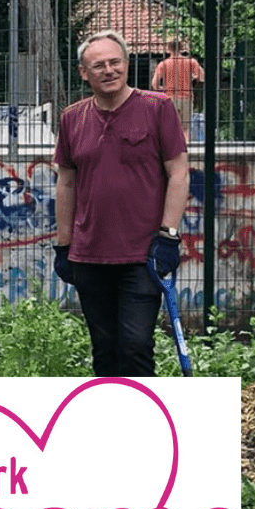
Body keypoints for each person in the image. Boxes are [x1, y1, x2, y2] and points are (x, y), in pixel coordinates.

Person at [54, 30, 189, 377]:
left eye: (115, 62)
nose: (109, 70)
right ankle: (110, 425)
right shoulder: (72, 118)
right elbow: (66, 182)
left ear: (127, 65)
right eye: (98, 65)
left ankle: (148, 426)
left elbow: (178, 172)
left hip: (143, 255)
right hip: (89, 255)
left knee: (135, 347)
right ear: (84, 72)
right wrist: (63, 245)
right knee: (105, 351)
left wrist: (169, 235)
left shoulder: (157, 108)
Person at [151, 38, 206, 143]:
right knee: (185, 128)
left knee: (171, 128)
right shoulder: (190, 62)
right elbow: (202, 77)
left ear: (168, 49)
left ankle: (172, 153)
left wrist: (163, 88)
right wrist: (194, 78)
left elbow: (154, 84)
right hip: (186, 97)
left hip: (170, 97)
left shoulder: (163, 64)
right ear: (181, 48)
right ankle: (186, 151)